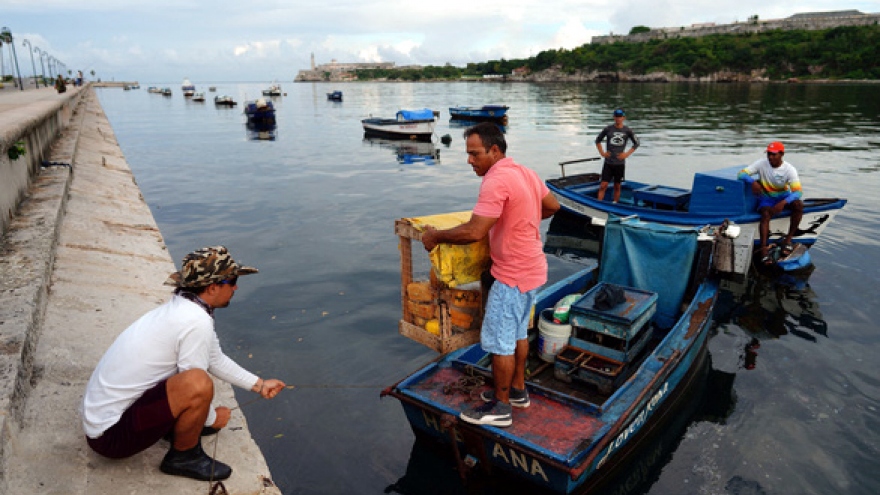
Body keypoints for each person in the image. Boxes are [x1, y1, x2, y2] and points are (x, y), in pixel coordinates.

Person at [81, 246, 286, 481]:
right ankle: (184, 456)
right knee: (199, 383)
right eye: (232, 280)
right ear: (212, 287)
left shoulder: (185, 306)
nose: (236, 287)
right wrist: (211, 419)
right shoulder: (195, 321)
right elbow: (194, 383)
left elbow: (214, 357)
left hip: (108, 422)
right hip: (111, 438)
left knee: (195, 380)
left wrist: (259, 385)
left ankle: (179, 430)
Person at [421, 122, 560, 427]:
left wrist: (435, 237)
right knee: (519, 332)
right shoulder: (525, 172)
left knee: (500, 342)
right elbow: (552, 206)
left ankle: (501, 408)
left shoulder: (496, 180)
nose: (469, 160)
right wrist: (519, 220)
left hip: (511, 275)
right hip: (533, 268)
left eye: (474, 154)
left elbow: (473, 231)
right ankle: (518, 391)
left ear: (494, 150)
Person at [738, 141, 804, 265]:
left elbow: (798, 192)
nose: (770, 157)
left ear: (781, 154)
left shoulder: (789, 169)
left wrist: (784, 202)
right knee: (766, 213)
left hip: (783, 196)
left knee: (799, 205)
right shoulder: (761, 164)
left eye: (774, 154)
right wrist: (753, 182)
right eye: (769, 154)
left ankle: (788, 239)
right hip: (766, 198)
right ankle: (763, 248)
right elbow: (741, 174)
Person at [594, 108, 639, 202]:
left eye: (620, 117)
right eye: (616, 117)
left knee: (617, 185)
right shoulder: (608, 129)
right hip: (608, 162)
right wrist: (602, 153)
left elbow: (637, 143)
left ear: (623, 118)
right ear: (614, 118)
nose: (618, 119)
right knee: (603, 185)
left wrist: (626, 154)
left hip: (619, 163)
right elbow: (598, 140)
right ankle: (599, 203)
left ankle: (615, 203)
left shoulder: (627, 130)